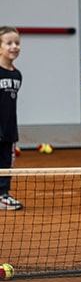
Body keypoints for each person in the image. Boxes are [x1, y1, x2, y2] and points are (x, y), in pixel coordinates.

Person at [0, 26, 23, 210]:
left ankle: (2, 195)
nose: (14, 46)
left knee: (6, 164)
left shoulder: (17, 75)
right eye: (9, 43)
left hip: (9, 129)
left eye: (17, 43)